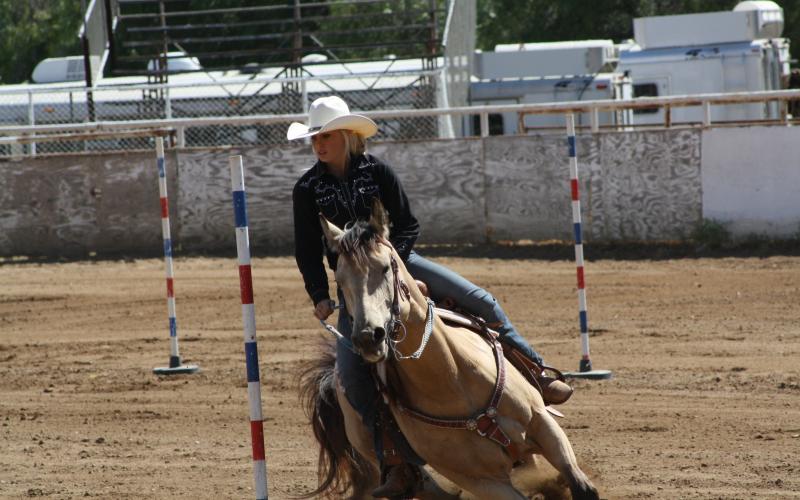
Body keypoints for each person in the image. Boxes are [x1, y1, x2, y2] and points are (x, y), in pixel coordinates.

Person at [290, 96, 572, 498]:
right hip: (355, 285)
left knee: (482, 300)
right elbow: (306, 250)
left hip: (399, 263)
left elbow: (406, 224)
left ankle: (538, 373)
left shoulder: (377, 172)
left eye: (327, 135)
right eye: (315, 137)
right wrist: (319, 293)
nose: (319, 144)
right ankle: (399, 464)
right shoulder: (307, 189)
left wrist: (400, 273)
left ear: (348, 136)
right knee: (352, 376)